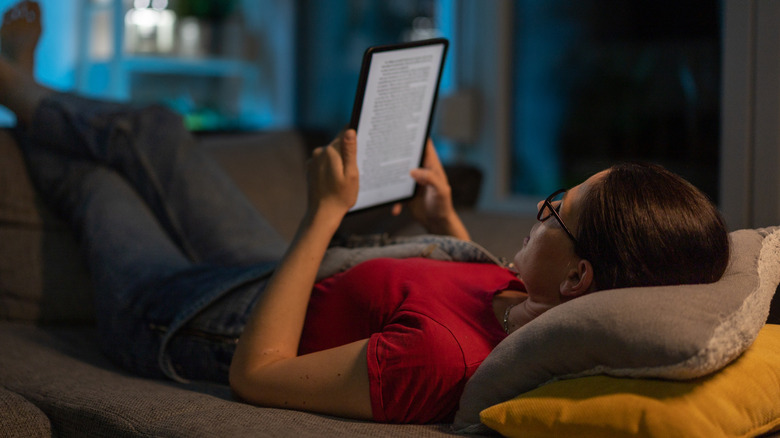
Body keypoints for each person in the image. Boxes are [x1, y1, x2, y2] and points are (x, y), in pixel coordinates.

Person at [1, 1, 730, 424]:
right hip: (272, 272)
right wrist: (445, 221)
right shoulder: (537, 309)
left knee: (99, 185)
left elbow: (259, 374)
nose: (538, 213)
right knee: (155, 129)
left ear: (579, 280)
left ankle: (14, 88)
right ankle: (24, 90)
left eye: (552, 212)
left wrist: (323, 213)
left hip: (200, 322)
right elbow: (477, 299)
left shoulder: (436, 362)